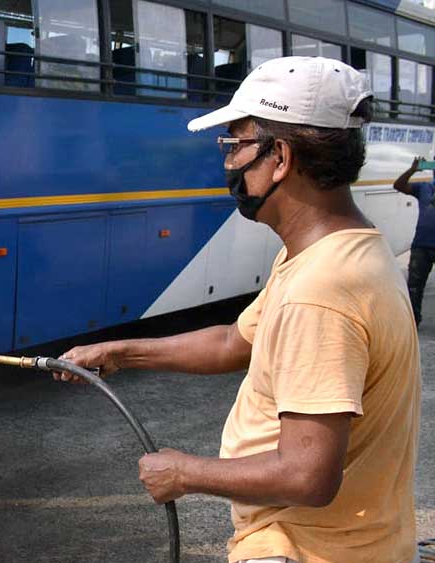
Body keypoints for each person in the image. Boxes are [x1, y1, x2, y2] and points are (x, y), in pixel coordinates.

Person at [56, 57, 420, 563]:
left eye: (235, 146)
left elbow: (306, 474)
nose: (229, 164)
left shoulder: (320, 289)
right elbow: (235, 341)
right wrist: (120, 352)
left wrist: (184, 473)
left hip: (306, 549)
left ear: (281, 158)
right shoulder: (337, 252)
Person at [393, 156, 435, 326]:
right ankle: (412, 322)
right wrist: (412, 170)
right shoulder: (424, 187)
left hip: (423, 246)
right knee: (414, 288)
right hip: (422, 246)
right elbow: (398, 185)